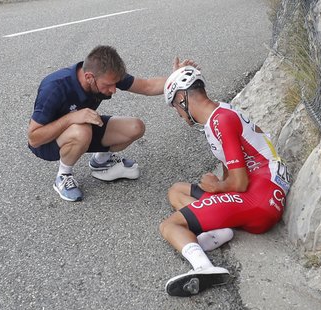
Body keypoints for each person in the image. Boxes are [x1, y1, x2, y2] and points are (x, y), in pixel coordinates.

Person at [158, 66, 290, 297]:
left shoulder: (221, 121)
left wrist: (217, 187)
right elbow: (233, 171)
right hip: (261, 191)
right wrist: (219, 187)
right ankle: (220, 229)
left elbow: (238, 184)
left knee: (169, 225)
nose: (178, 114)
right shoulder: (219, 114)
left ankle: (204, 268)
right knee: (176, 191)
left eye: (175, 107)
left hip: (259, 198)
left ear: (182, 98)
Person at [28, 46, 196, 202]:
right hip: (49, 142)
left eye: (116, 84)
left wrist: (175, 78)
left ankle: (101, 162)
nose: (114, 90)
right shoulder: (55, 87)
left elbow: (146, 86)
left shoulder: (106, 75)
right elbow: (34, 139)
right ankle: (63, 176)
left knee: (136, 127)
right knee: (82, 130)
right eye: (109, 85)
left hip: (83, 127)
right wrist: (72, 118)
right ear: (89, 78)